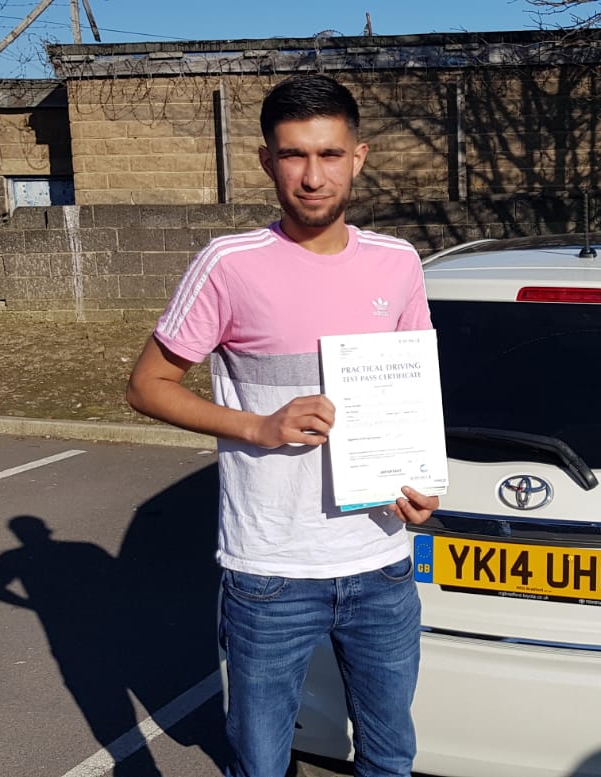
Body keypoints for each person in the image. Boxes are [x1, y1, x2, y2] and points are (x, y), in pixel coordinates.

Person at [126, 74, 438, 777]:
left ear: (359, 157)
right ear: (267, 160)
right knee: (260, 765)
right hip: (271, 572)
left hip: (382, 564)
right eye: (294, 155)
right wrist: (259, 427)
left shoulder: (398, 261)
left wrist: (422, 482)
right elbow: (146, 386)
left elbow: (412, 390)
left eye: (330, 154)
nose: (313, 176)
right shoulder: (228, 265)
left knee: (390, 758)